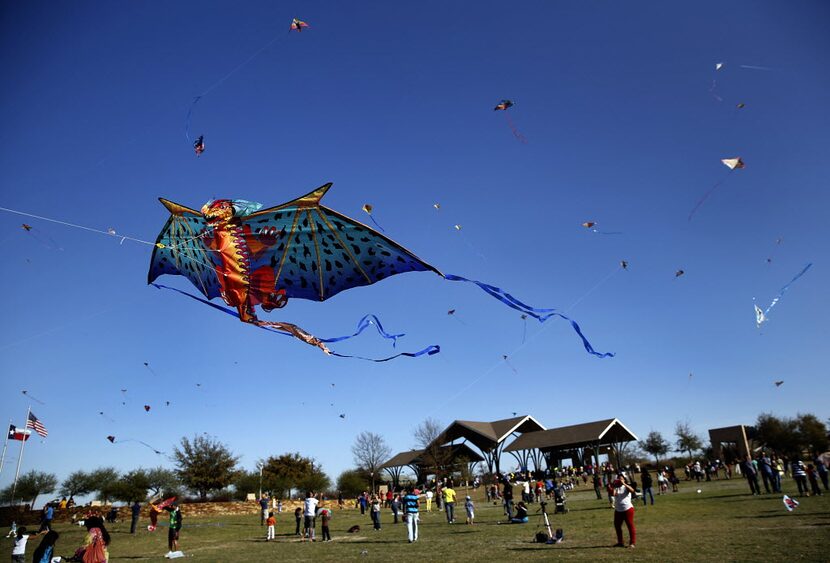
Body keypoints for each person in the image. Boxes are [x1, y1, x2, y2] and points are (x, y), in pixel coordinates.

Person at [611, 474, 636, 548]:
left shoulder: (626, 486)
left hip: (627, 509)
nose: (620, 480)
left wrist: (624, 484)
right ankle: (620, 542)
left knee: (630, 525)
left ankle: (632, 543)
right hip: (618, 509)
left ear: (624, 479)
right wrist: (615, 486)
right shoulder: (617, 487)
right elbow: (613, 494)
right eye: (619, 479)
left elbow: (632, 490)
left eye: (621, 478)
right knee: (617, 525)